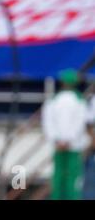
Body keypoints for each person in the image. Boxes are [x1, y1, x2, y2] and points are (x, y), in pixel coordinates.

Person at [41, 69, 91, 200]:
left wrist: (56, 140)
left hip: (58, 145)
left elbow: (48, 122)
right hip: (74, 145)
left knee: (58, 176)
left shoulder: (53, 101)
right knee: (73, 177)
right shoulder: (79, 101)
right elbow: (80, 123)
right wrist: (69, 140)